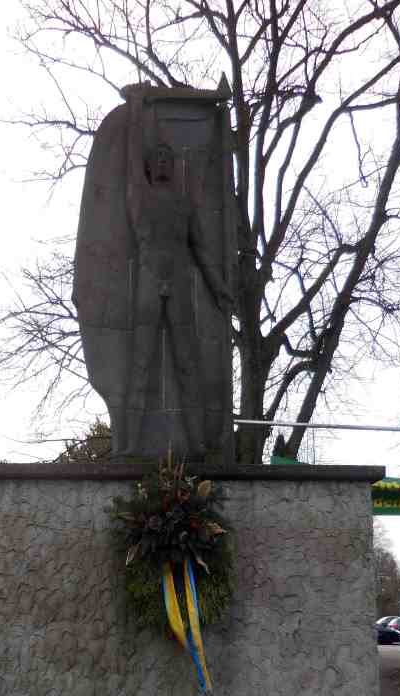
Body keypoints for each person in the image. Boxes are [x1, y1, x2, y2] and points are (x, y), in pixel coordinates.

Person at [122, 93, 233, 458]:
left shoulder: (185, 205)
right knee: (140, 364)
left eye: (169, 158)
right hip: (150, 284)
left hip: (181, 288)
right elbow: (130, 157)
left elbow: (201, 248)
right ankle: (128, 444)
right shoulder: (139, 195)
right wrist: (137, 109)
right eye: (159, 158)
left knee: (189, 363)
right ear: (150, 166)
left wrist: (218, 289)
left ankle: (199, 443)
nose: (165, 162)